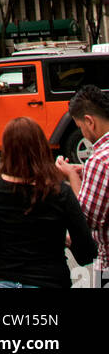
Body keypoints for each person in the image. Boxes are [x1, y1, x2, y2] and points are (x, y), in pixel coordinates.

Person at [0, 116, 96, 288]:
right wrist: (68, 242)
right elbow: (87, 253)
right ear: (41, 148)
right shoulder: (59, 192)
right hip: (50, 280)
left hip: (6, 279)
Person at [56, 83, 109, 272]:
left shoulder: (100, 161)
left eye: (80, 127)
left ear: (89, 121)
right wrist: (87, 170)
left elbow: (85, 221)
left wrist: (72, 176)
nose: (83, 134)